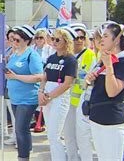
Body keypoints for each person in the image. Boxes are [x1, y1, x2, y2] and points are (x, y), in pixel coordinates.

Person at [85, 23, 124, 161]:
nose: (101, 39)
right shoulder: (106, 59)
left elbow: (113, 91)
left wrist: (109, 66)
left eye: (106, 36)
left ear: (117, 39)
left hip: (112, 118)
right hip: (97, 116)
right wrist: (90, 79)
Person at [39, 27, 77, 161]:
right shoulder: (51, 58)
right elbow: (44, 77)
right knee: (50, 134)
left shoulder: (70, 60)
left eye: (57, 39)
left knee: (54, 135)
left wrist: (49, 96)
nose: (53, 42)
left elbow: (67, 83)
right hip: (47, 94)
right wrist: (41, 92)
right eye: (52, 38)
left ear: (66, 41)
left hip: (60, 97)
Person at [5, 25, 44, 161]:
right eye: (12, 40)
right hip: (15, 97)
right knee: (20, 129)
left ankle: (23, 157)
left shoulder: (32, 55)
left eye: (17, 40)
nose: (14, 42)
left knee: (20, 129)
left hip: (28, 98)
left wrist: (16, 77)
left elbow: (39, 76)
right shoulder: (14, 54)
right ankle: (25, 152)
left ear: (27, 41)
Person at [65, 23, 97, 161]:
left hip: (82, 101)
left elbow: (91, 78)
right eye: (76, 37)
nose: (78, 40)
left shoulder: (90, 55)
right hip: (66, 99)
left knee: (82, 136)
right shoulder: (66, 55)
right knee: (68, 134)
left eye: (81, 37)